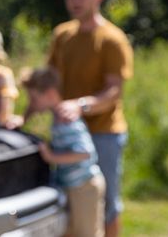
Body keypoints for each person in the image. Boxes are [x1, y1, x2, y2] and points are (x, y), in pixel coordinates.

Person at [47, 0, 133, 237]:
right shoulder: (62, 35)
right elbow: (50, 81)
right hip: (67, 132)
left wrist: (79, 106)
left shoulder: (112, 39)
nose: (75, 1)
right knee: (68, 200)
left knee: (106, 203)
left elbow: (113, 93)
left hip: (103, 132)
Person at [22, 67, 106, 237]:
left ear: (51, 94)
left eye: (34, 98)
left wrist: (51, 157)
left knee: (87, 233)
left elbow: (85, 152)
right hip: (71, 185)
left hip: (84, 186)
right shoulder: (56, 117)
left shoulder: (66, 118)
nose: (32, 102)